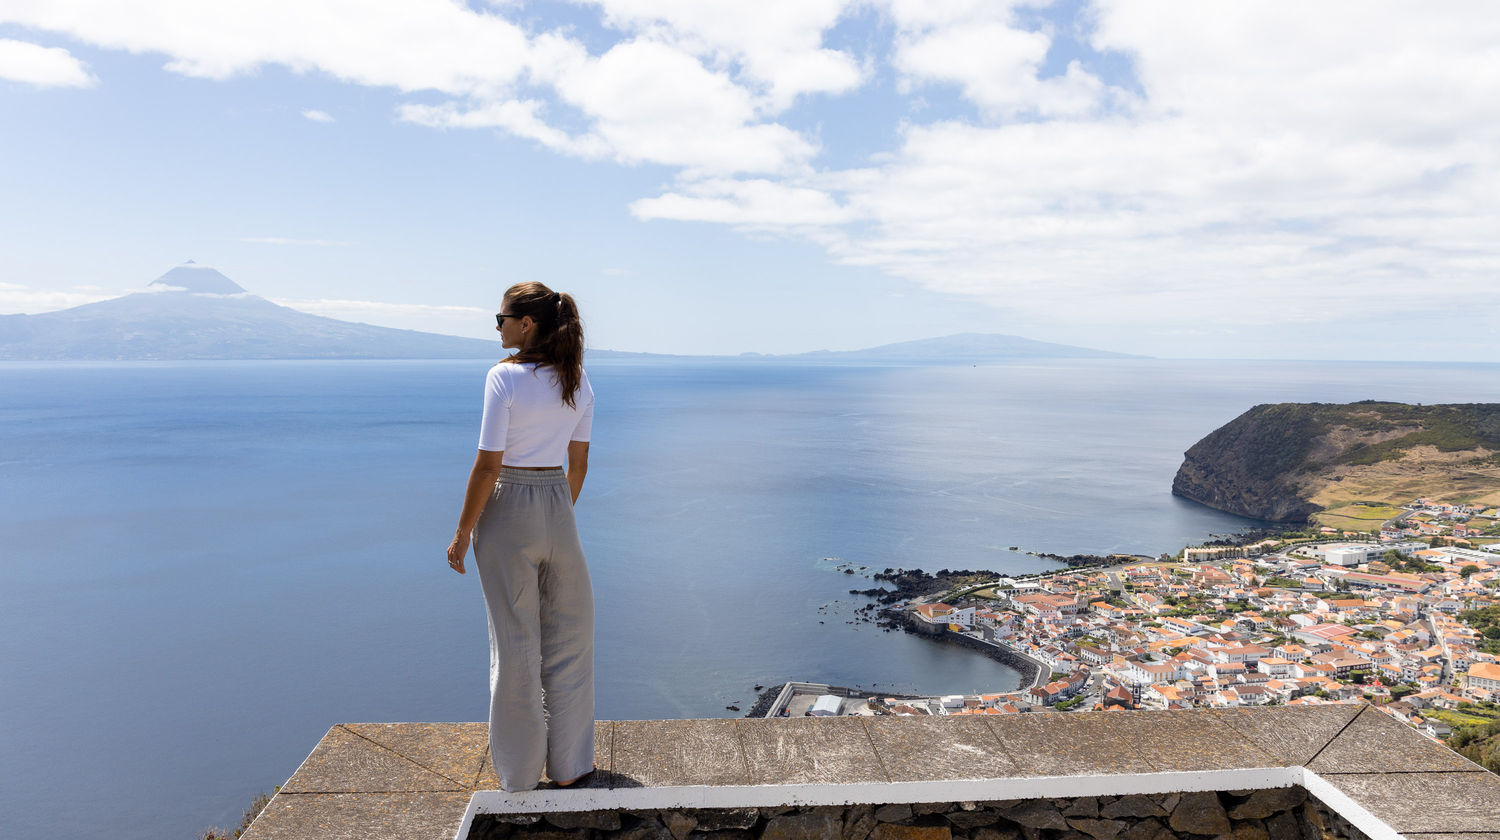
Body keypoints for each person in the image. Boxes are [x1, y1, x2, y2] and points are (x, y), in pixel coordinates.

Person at [446, 282, 595, 791]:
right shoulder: (577, 381)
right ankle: (572, 766)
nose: (498, 326)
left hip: (509, 509)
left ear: (526, 324)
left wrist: (463, 532)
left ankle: (519, 774)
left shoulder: (502, 379)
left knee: (515, 644)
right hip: (559, 509)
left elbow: (488, 466)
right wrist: (555, 510)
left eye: (502, 317)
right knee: (570, 642)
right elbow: (578, 462)